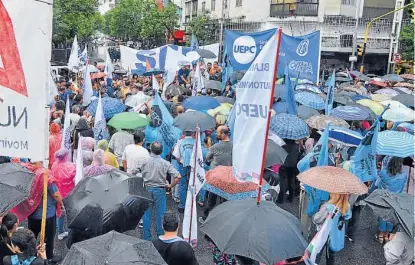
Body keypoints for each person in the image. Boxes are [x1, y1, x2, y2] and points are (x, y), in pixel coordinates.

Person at [141, 142, 181, 240]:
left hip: (147, 189)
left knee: (146, 214)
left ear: (151, 149)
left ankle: (147, 237)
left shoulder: (144, 161)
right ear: (161, 151)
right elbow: (178, 176)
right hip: (160, 190)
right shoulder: (165, 163)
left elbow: (134, 171)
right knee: (160, 214)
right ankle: (160, 236)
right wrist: (170, 186)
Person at [199, 126, 233, 223]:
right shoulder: (234, 146)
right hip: (228, 176)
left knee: (211, 200)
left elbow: (207, 159)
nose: (216, 134)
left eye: (218, 132)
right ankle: (222, 219)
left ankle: (207, 218)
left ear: (223, 134)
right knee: (224, 200)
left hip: (216, 177)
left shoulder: (215, 147)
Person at [374, 156, 407, 243]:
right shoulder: (403, 176)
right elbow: (403, 187)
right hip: (395, 200)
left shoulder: (384, 172)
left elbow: (378, 180)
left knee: (383, 216)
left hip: (384, 198)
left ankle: (381, 235)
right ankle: (387, 235)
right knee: (391, 217)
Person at [313, 193, 352, 265]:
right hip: (335, 234)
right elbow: (347, 216)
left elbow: (317, 219)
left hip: (323, 233)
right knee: (331, 255)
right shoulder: (347, 206)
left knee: (317, 253)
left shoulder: (327, 207)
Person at [50, 149, 75, 241]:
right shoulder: (70, 166)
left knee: (60, 212)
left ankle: (60, 230)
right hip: (68, 192)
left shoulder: (54, 165)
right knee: (69, 212)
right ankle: (65, 231)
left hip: (56, 192)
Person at [172, 131, 195, 213]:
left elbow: (176, 155)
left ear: (184, 133)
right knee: (192, 185)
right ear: (192, 132)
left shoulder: (180, 142)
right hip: (193, 166)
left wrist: (180, 161)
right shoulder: (196, 142)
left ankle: (182, 205)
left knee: (183, 185)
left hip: (183, 165)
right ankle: (191, 205)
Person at [277, 139, 301, 204]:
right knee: (291, 181)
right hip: (293, 165)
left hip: (284, 164)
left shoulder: (284, 144)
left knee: (283, 182)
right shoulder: (296, 145)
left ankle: (281, 199)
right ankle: (291, 197)